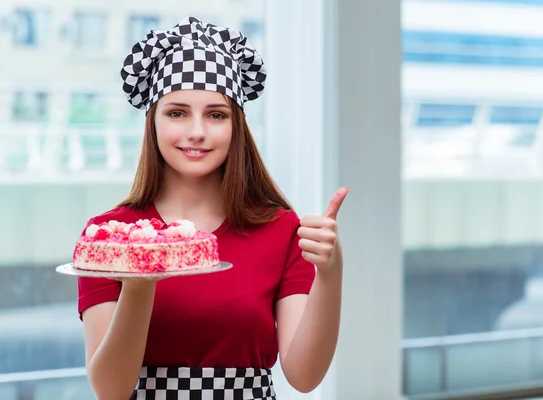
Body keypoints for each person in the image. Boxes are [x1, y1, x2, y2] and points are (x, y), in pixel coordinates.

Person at [76, 16, 348, 400]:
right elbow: (111, 390)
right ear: (152, 122)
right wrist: (139, 282)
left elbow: (304, 375)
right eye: (177, 113)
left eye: (216, 115)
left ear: (236, 126)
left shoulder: (281, 230)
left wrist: (331, 271)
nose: (197, 131)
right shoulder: (108, 238)